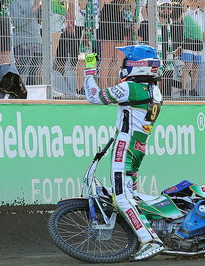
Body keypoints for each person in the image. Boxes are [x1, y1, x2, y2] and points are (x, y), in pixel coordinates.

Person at [82, 45, 166, 262]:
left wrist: (90, 71)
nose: (124, 65)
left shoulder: (131, 88)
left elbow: (94, 96)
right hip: (138, 148)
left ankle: (150, 240)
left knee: (121, 196)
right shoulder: (155, 90)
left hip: (125, 147)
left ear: (137, 66)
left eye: (127, 62)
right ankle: (145, 234)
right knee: (131, 195)